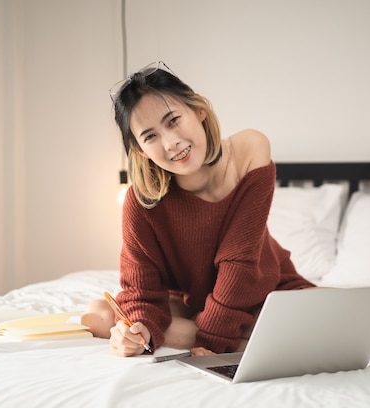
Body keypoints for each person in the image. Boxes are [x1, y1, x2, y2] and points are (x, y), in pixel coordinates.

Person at [81, 61, 315, 357]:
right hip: (194, 302)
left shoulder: (248, 151)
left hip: (264, 291)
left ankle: (245, 331)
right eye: (150, 136)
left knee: (342, 311)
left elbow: (239, 262)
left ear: (198, 110)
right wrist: (138, 329)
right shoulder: (141, 201)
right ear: (141, 150)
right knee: (99, 314)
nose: (171, 143)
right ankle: (254, 336)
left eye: (173, 120)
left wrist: (213, 342)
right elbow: (141, 289)